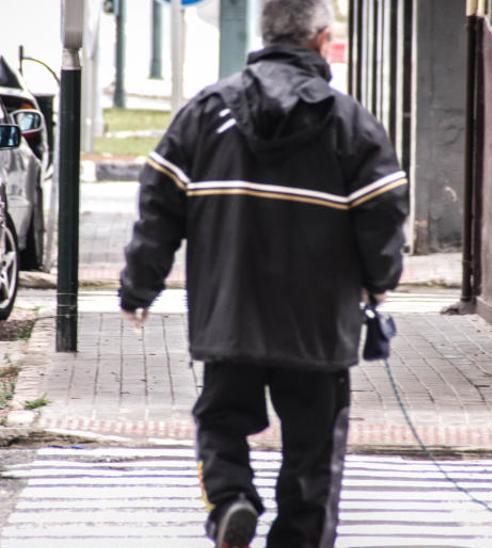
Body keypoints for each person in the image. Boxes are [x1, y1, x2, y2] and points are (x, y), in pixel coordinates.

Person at [119, 0, 408, 545]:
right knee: (314, 450)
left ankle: (230, 499)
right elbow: (384, 211)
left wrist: (139, 288)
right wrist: (380, 282)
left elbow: (158, 203)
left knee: (221, 420)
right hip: (318, 327)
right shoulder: (351, 125)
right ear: (321, 40)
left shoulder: (205, 113)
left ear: (267, 33)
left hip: (229, 319)